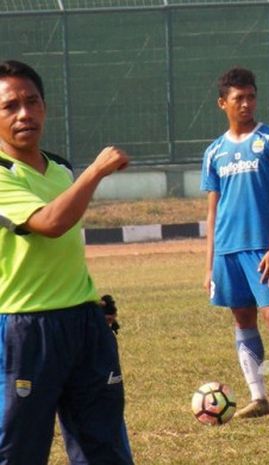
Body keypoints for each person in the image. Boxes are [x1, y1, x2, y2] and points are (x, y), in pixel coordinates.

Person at [0, 60, 133, 464]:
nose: (24, 113)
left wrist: (89, 306)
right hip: (25, 329)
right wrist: (95, 172)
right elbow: (51, 224)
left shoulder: (60, 169)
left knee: (104, 445)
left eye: (32, 101)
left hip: (84, 325)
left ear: (45, 107)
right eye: (9, 106)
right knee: (19, 450)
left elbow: (65, 249)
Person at [201, 67, 269, 418]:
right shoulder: (214, 151)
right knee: (243, 318)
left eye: (251, 97)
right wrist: (209, 263)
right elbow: (213, 210)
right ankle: (259, 397)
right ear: (223, 103)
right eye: (238, 98)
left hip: (262, 247)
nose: (246, 104)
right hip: (227, 250)